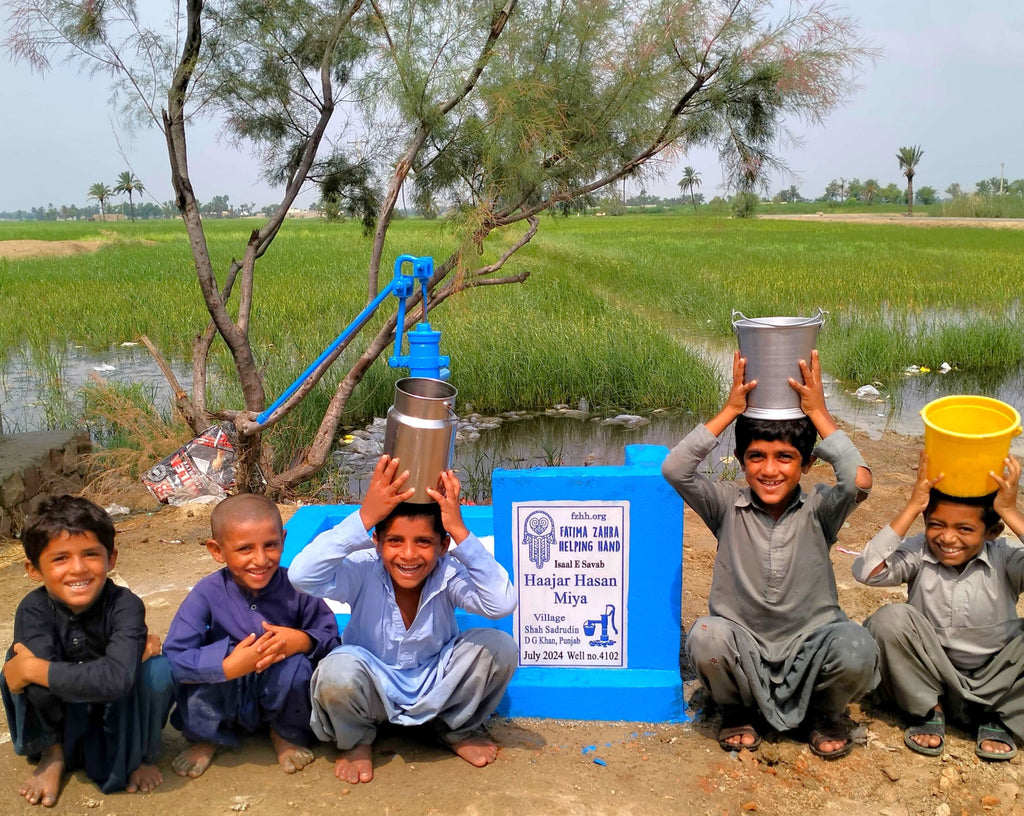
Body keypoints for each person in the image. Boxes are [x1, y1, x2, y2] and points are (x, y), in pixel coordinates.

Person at [662, 350, 877, 759]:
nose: (770, 470)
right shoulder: (727, 506)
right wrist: (730, 411)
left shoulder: (820, 509)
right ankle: (737, 710)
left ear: (807, 463)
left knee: (857, 645)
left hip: (810, 644)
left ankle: (824, 713)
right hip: (744, 647)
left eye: (785, 458)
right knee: (707, 637)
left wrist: (819, 414)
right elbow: (675, 469)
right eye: (756, 456)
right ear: (742, 461)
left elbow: (858, 481)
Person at [288, 455, 518, 784]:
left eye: (423, 541)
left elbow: (501, 602)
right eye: (395, 540)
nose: (408, 555)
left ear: (442, 546)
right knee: (336, 672)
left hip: (436, 682)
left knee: (500, 647)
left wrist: (460, 531)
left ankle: (455, 727)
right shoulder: (363, 568)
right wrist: (365, 515)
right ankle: (354, 740)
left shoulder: (448, 572)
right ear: (377, 541)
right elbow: (301, 576)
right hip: (372, 686)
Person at [1, 495, 174, 807]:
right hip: (61, 715)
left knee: (159, 671)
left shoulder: (125, 605)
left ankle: (144, 755)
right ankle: (52, 754)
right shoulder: (33, 609)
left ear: (111, 558)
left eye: (91, 554)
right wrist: (29, 670)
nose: (78, 569)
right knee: (16, 660)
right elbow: (42, 688)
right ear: (33, 569)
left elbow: (118, 681)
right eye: (60, 558)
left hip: (115, 711)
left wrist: (36, 670)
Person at [852, 452, 1024, 761]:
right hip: (929, 674)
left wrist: (1010, 512)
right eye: (936, 524)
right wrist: (914, 505)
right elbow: (865, 571)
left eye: (965, 530)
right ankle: (928, 708)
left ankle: (1000, 717)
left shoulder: (1006, 558)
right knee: (889, 620)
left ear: (992, 533)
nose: (947, 538)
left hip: (995, 678)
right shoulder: (920, 552)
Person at [163, 493, 340, 778]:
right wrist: (227, 666)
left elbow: (331, 638)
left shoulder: (298, 589)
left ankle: (283, 733)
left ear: (283, 540)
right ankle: (207, 736)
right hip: (224, 693)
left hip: (280, 693)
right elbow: (174, 657)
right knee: (203, 668)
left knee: (297, 666)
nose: (260, 559)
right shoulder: (206, 593)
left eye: (270, 545)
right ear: (217, 550)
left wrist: (303, 641)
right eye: (245, 549)